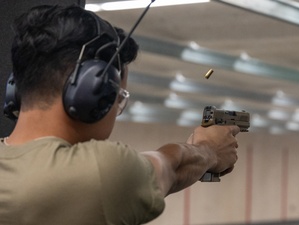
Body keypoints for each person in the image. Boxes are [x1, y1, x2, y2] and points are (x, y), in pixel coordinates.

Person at [0, 4, 240, 225]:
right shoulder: (101, 173)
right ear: (92, 91)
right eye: (117, 96)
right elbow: (171, 168)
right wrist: (210, 149)